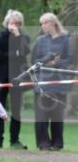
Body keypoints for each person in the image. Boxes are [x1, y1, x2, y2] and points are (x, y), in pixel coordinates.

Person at [31, 12, 73, 151]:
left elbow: (70, 59)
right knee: (41, 116)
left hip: (60, 83)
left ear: (53, 23)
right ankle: (43, 143)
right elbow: (34, 60)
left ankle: (57, 144)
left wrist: (57, 62)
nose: (43, 26)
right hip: (42, 82)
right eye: (41, 23)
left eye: (45, 23)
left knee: (57, 115)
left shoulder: (66, 40)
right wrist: (45, 63)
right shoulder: (40, 40)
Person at [0, 10, 30, 150]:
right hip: (1, 77)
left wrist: (18, 37)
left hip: (17, 78)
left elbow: (25, 52)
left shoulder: (23, 37)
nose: (15, 26)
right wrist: (14, 54)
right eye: (13, 23)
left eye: (19, 23)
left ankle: (14, 140)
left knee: (16, 110)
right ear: (7, 23)